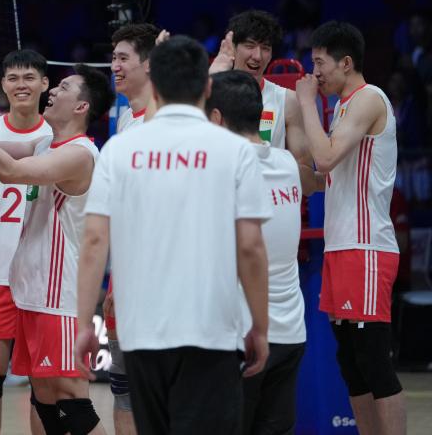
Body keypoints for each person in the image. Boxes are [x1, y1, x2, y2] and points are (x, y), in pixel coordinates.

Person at [76, 35, 271, 435]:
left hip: (142, 332)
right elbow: (251, 247)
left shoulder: (119, 150)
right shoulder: (235, 150)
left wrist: (83, 325)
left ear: (155, 85)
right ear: (208, 86)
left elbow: (94, 241)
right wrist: (260, 326)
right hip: (212, 330)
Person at [0, 65, 114, 435]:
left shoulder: (79, 154)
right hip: (31, 292)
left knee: (72, 401)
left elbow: (10, 170)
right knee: (46, 400)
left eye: (63, 87)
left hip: (59, 297)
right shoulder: (47, 144)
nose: (53, 92)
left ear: (81, 106)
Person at [295, 21, 405, 434]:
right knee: (351, 364)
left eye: (319, 63)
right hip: (340, 247)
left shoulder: (369, 98)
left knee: (374, 363)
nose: (315, 74)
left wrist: (305, 103)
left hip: (367, 247)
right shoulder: (342, 108)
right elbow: (321, 177)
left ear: (345, 62)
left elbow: (324, 158)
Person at [206, 70, 307, 435]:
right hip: (290, 333)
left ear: (216, 118)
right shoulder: (288, 165)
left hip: (242, 337)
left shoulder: (222, 170)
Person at [0, 50, 51, 434]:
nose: (21, 85)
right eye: (13, 78)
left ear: (45, 83)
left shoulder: (56, 136)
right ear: (3, 85)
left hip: (42, 278)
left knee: (45, 391)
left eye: (29, 77)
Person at [106, 22, 161, 435]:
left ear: (149, 65)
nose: (114, 66)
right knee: (123, 390)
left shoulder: (169, 119)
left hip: (157, 281)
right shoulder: (126, 118)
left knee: (159, 392)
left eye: (123, 58)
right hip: (125, 277)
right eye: (114, 57)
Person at [210, 10, 322, 194]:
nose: (258, 56)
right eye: (250, 46)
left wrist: (267, 164)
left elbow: (308, 183)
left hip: (268, 204)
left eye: (265, 48)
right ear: (233, 47)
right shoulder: (210, 92)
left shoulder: (288, 101)